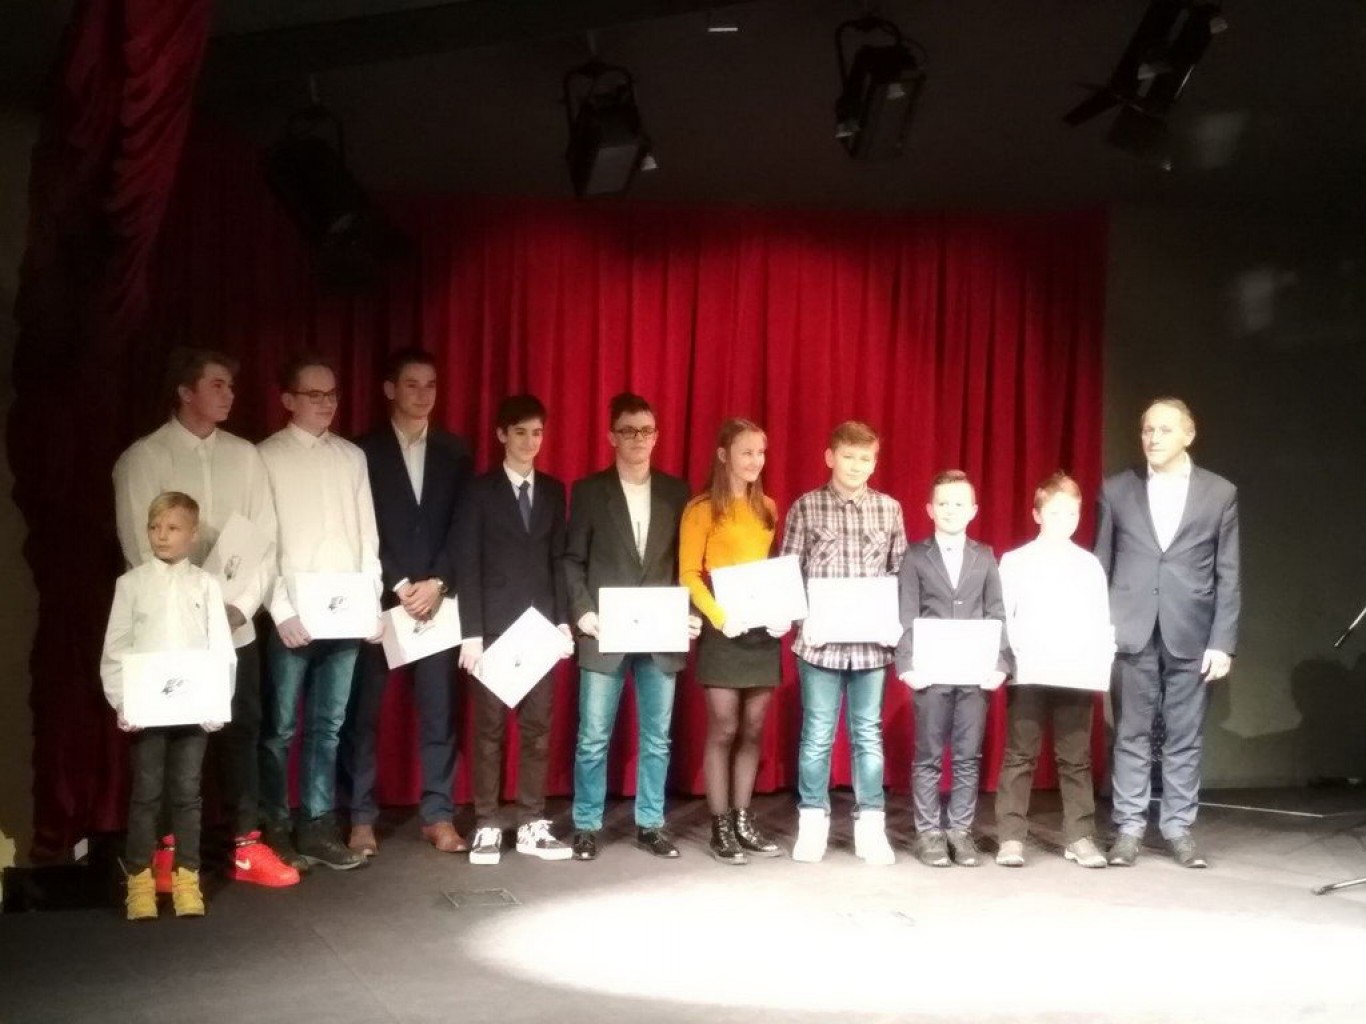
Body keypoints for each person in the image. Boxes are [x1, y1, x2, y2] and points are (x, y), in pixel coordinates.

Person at [112, 348, 297, 889]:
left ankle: (245, 844)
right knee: (169, 742)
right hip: (168, 635)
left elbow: (265, 539)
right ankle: (164, 853)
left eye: (231, 387)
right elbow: (138, 545)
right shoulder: (144, 457)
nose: (229, 395)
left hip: (234, 626)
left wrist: (240, 605)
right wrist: (191, 616)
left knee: (243, 730)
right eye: (217, 385)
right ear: (185, 391)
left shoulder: (245, 456)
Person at [1095, 397, 1239, 869]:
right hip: (1131, 629)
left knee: (1184, 735)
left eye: (1164, 430)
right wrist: (1097, 632)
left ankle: (1178, 827)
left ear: (1188, 435)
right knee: (1131, 733)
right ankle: (1129, 828)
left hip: (1191, 630)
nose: (1153, 438)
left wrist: (1222, 641)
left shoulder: (1219, 493)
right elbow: (1100, 567)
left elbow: (1228, 573)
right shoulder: (1116, 490)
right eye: (1147, 430)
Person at [340, 349, 472, 857]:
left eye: (431, 385)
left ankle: (438, 815)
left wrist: (437, 581)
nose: (423, 394)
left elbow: (463, 526)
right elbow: (360, 526)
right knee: (364, 715)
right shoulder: (361, 452)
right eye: (412, 384)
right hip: (379, 600)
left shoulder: (455, 451)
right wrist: (398, 583)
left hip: (437, 603)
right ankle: (361, 819)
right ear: (390, 389)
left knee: (439, 714)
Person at [257, 353, 381, 872]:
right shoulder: (266, 456)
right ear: (288, 400)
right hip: (293, 614)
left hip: (346, 614)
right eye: (314, 394)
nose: (326, 403)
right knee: (282, 727)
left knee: (328, 725)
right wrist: (280, 610)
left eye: (331, 394)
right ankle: (274, 827)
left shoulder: (351, 457)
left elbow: (367, 536)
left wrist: (372, 603)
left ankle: (317, 825)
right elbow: (263, 540)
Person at [563, 392, 699, 861]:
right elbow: (572, 559)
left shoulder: (677, 492)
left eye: (646, 430)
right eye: (628, 430)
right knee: (593, 737)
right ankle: (586, 824)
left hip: (661, 633)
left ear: (656, 436)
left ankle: (651, 823)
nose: (638, 439)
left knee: (657, 737)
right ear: (611, 436)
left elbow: (687, 563)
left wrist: (690, 612)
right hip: (605, 631)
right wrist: (583, 613)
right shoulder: (588, 491)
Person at [101, 492, 237, 919]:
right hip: (148, 708)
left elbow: (221, 647)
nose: (162, 535)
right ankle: (140, 881)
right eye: (155, 527)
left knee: (187, 793)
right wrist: (123, 700)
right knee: (146, 793)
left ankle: (187, 879)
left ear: (192, 535)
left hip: (193, 708)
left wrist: (217, 701)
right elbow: (117, 646)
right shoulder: (131, 584)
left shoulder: (206, 585)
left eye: (173, 528)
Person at [455, 394, 574, 865]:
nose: (529, 441)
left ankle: (530, 822)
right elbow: (468, 562)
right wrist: (471, 634)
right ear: (502, 435)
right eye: (520, 432)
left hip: (539, 628)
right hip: (492, 630)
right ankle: (487, 822)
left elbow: (558, 560)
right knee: (488, 731)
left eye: (537, 432)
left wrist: (562, 621)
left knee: (537, 728)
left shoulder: (553, 490)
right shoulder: (479, 491)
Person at [781, 421, 906, 865]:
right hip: (820, 645)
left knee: (867, 733)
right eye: (848, 457)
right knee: (817, 734)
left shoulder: (889, 509)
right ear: (830, 457)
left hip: (871, 647)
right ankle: (812, 820)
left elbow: (899, 573)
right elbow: (788, 574)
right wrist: (804, 620)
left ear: (875, 462)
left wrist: (893, 623)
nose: (856, 466)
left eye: (865, 458)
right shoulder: (806, 507)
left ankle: (870, 824)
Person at [679, 418, 787, 865]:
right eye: (746, 452)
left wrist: (781, 613)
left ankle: (744, 819)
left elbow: (772, 572)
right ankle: (720, 824)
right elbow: (688, 574)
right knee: (724, 727)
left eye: (760, 453)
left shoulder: (768, 507)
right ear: (724, 455)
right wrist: (721, 618)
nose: (755, 461)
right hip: (724, 631)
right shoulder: (701, 508)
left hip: (761, 634)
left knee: (754, 728)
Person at [993, 472, 1111, 869]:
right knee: (1020, 754)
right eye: (1055, 512)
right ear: (1037, 514)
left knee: (1075, 757)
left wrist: (1099, 662)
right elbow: (1004, 617)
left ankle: (1079, 836)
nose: (1065, 520)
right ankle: (1011, 837)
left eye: (1072, 513)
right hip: (1029, 669)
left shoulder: (1089, 565)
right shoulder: (1016, 561)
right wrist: (1008, 661)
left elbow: (1100, 620)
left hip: (1075, 672)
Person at [895, 469, 1008, 868]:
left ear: (973, 510)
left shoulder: (985, 556)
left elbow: (997, 612)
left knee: (967, 756)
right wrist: (906, 665)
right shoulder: (915, 556)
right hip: (930, 673)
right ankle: (928, 832)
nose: (950, 510)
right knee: (927, 755)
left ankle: (960, 830)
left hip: (974, 675)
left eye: (959, 503)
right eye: (943, 503)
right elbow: (906, 614)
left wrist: (1000, 663)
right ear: (929, 509)